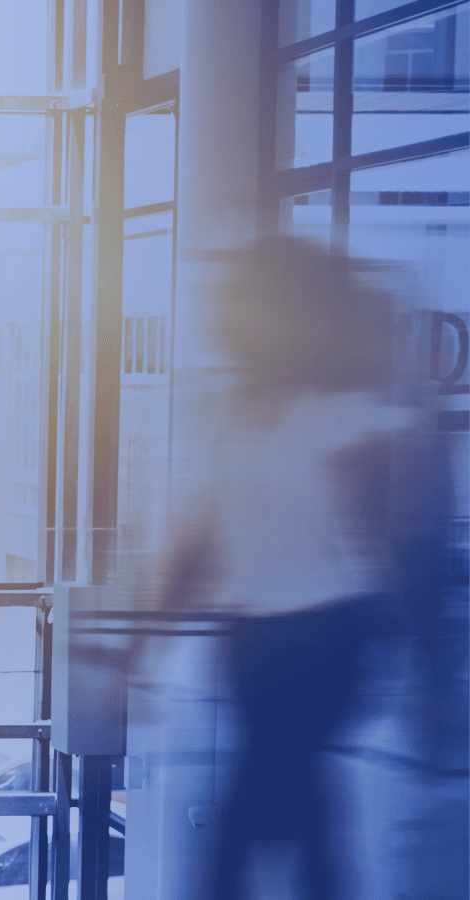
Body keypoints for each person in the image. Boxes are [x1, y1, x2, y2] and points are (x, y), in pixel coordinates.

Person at [151, 236, 452, 900]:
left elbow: (399, 547)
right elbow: (200, 539)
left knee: (243, 813)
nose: (220, 312)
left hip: (326, 640)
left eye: (240, 299)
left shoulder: (357, 412)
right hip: (250, 644)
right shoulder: (231, 406)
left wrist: (433, 678)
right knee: (302, 811)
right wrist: (136, 651)